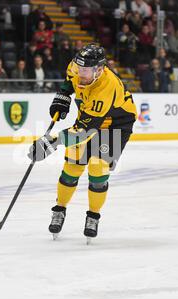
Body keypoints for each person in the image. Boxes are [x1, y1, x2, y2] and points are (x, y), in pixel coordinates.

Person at [27, 44, 137, 242]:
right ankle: (59, 209)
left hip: (114, 125)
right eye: (79, 69)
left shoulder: (106, 87)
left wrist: (50, 142)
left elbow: (84, 132)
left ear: (100, 70)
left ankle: (93, 216)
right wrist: (63, 96)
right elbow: (69, 81)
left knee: (97, 167)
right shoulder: (77, 66)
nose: (80, 73)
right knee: (72, 165)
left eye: (85, 70)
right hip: (89, 118)